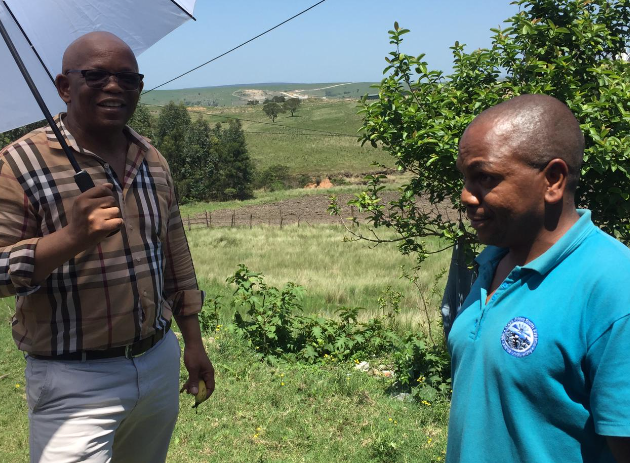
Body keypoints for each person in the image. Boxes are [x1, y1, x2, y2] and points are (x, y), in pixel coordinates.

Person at [0, 31, 214, 462]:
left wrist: (193, 341)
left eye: (127, 78)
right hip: (73, 379)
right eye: (95, 75)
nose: (114, 86)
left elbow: (175, 253)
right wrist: (70, 238)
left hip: (157, 359)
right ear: (64, 87)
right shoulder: (17, 164)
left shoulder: (150, 157)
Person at [446, 94, 630, 462]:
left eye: (484, 177)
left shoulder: (613, 286)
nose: (465, 196)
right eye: (465, 179)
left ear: (553, 180)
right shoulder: (490, 263)